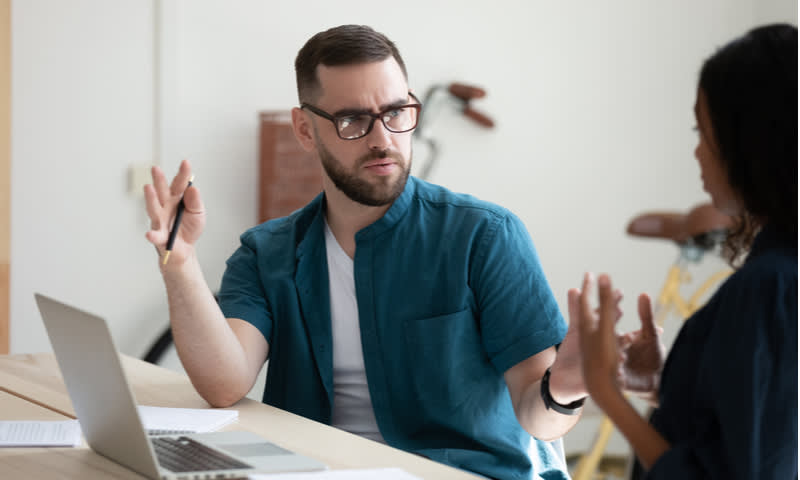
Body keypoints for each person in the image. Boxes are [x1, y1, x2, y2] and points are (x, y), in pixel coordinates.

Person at [144, 24, 589, 479]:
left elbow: (540, 417)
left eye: (396, 112)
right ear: (305, 129)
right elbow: (224, 385)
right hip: (314, 470)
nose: (382, 139)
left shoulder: (485, 236)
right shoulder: (267, 253)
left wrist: (564, 389)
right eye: (353, 120)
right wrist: (180, 264)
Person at [575, 23, 797, 478]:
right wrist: (666, 387)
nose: (696, 153)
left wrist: (605, 390)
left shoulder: (768, 286)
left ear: (748, 143)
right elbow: (751, 423)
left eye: (704, 133)